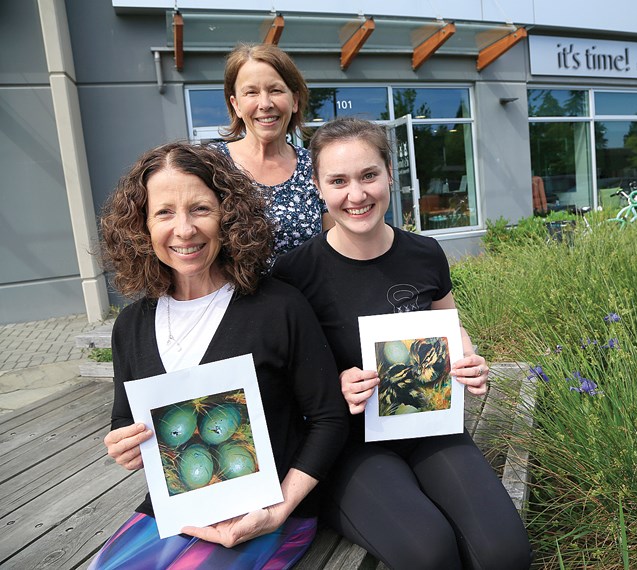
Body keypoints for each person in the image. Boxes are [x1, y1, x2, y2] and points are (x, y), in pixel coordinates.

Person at [272, 117, 532, 570]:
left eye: (369, 175)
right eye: (338, 181)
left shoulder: (424, 252)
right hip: (347, 445)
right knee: (429, 553)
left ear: (390, 173)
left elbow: (449, 327)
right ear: (316, 185)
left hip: (428, 428)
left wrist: (468, 360)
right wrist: (336, 384)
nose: (357, 195)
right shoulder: (295, 274)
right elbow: (284, 380)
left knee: (505, 554)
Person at [90, 142, 347, 569]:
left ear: (228, 215)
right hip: (179, 515)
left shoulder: (278, 307)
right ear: (142, 226)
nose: (185, 229)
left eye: (200, 209)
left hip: (271, 513)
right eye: (164, 212)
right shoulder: (131, 325)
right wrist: (124, 444)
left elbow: (329, 419)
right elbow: (125, 418)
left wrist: (281, 508)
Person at [212, 43, 332, 257]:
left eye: (275, 90)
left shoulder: (315, 167)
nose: (265, 103)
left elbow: (334, 248)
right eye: (251, 92)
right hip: (237, 291)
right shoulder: (212, 166)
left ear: (294, 101)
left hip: (305, 290)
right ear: (236, 104)